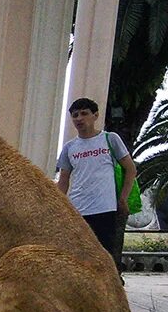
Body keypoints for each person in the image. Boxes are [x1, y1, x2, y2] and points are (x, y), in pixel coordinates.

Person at [55, 97, 137, 265]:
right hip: (77, 210)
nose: (79, 118)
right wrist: (56, 205)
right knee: (77, 257)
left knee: (104, 257)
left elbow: (130, 169)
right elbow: (63, 180)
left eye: (84, 113)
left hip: (105, 209)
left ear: (95, 115)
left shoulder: (110, 139)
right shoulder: (69, 148)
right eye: (75, 115)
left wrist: (123, 198)